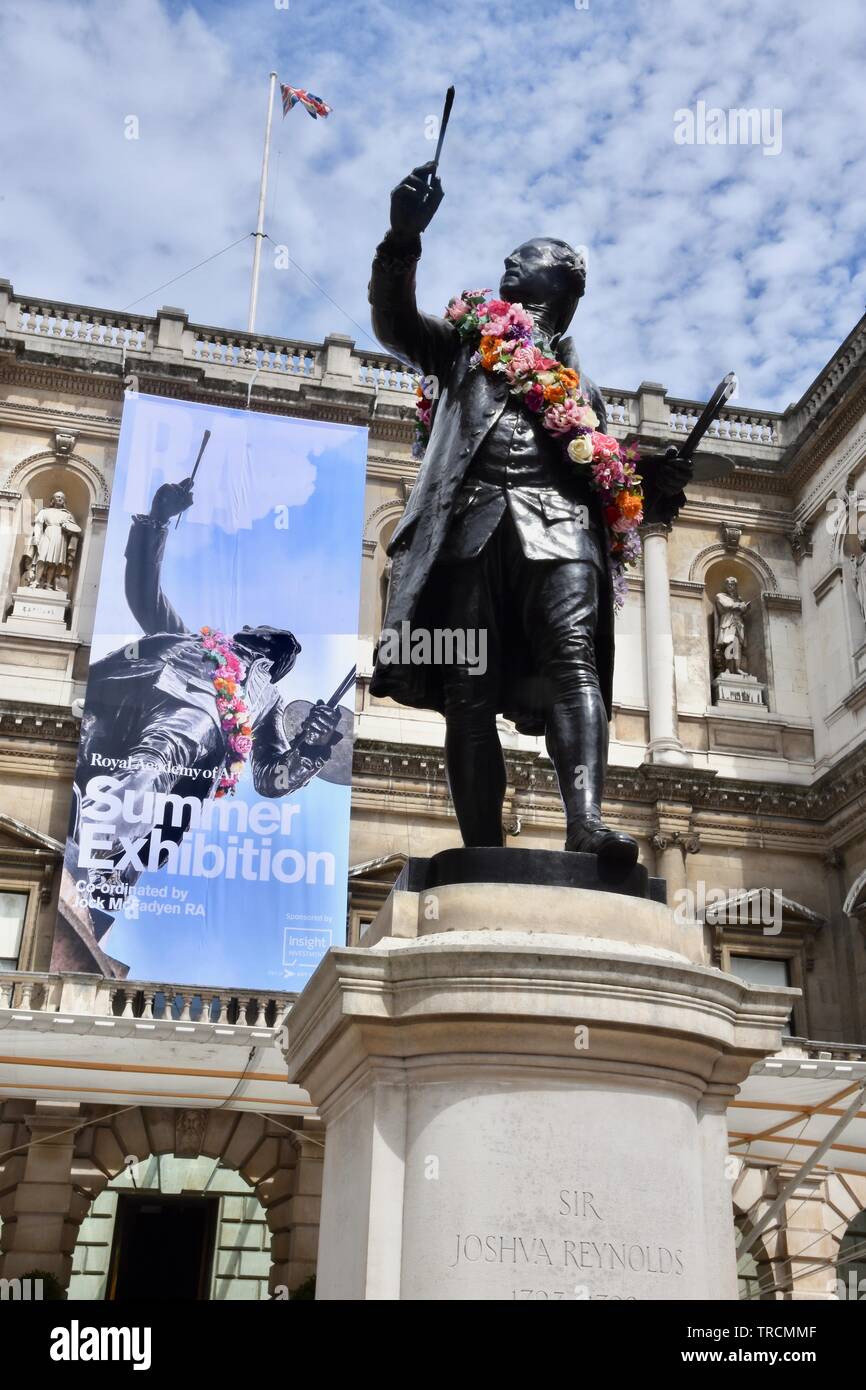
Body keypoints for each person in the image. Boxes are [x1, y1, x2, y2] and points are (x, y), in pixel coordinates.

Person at [368, 163, 693, 865]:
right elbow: (395, 324)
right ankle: (481, 850)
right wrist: (402, 238)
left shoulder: (586, 394)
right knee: (467, 688)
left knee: (575, 664)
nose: (512, 259)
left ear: (565, 278)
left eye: (532, 254)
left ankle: (586, 822)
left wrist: (654, 479)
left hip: (563, 531)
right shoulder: (465, 343)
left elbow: (616, 484)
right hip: (471, 529)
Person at [65, 475, 342, 942]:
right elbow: (143, 594)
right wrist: (155, 520)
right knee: (117, 774)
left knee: (161, 767)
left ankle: (97, 888)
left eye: (270, 646)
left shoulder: (265, 700)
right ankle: (90, 854)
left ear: (271, 664)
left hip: (193, 732)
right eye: (260, 636)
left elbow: (271, 778)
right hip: (120, 703)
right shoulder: (190, 638)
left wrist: (311, 746)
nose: (260, 638)